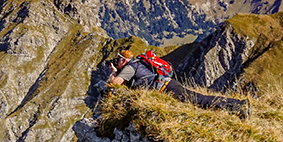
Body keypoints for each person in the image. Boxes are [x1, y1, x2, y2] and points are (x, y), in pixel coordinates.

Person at [107, 49, 250, 118]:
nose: (117, 62)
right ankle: (234, 108)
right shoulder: (136, 64)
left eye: (118, 59)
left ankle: (238, 105)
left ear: (123, 60)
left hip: (166, 87)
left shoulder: (129, 67)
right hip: (167, 84)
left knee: (198, 100)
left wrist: (114, 72)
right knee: (196, 102)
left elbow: (115, 83)